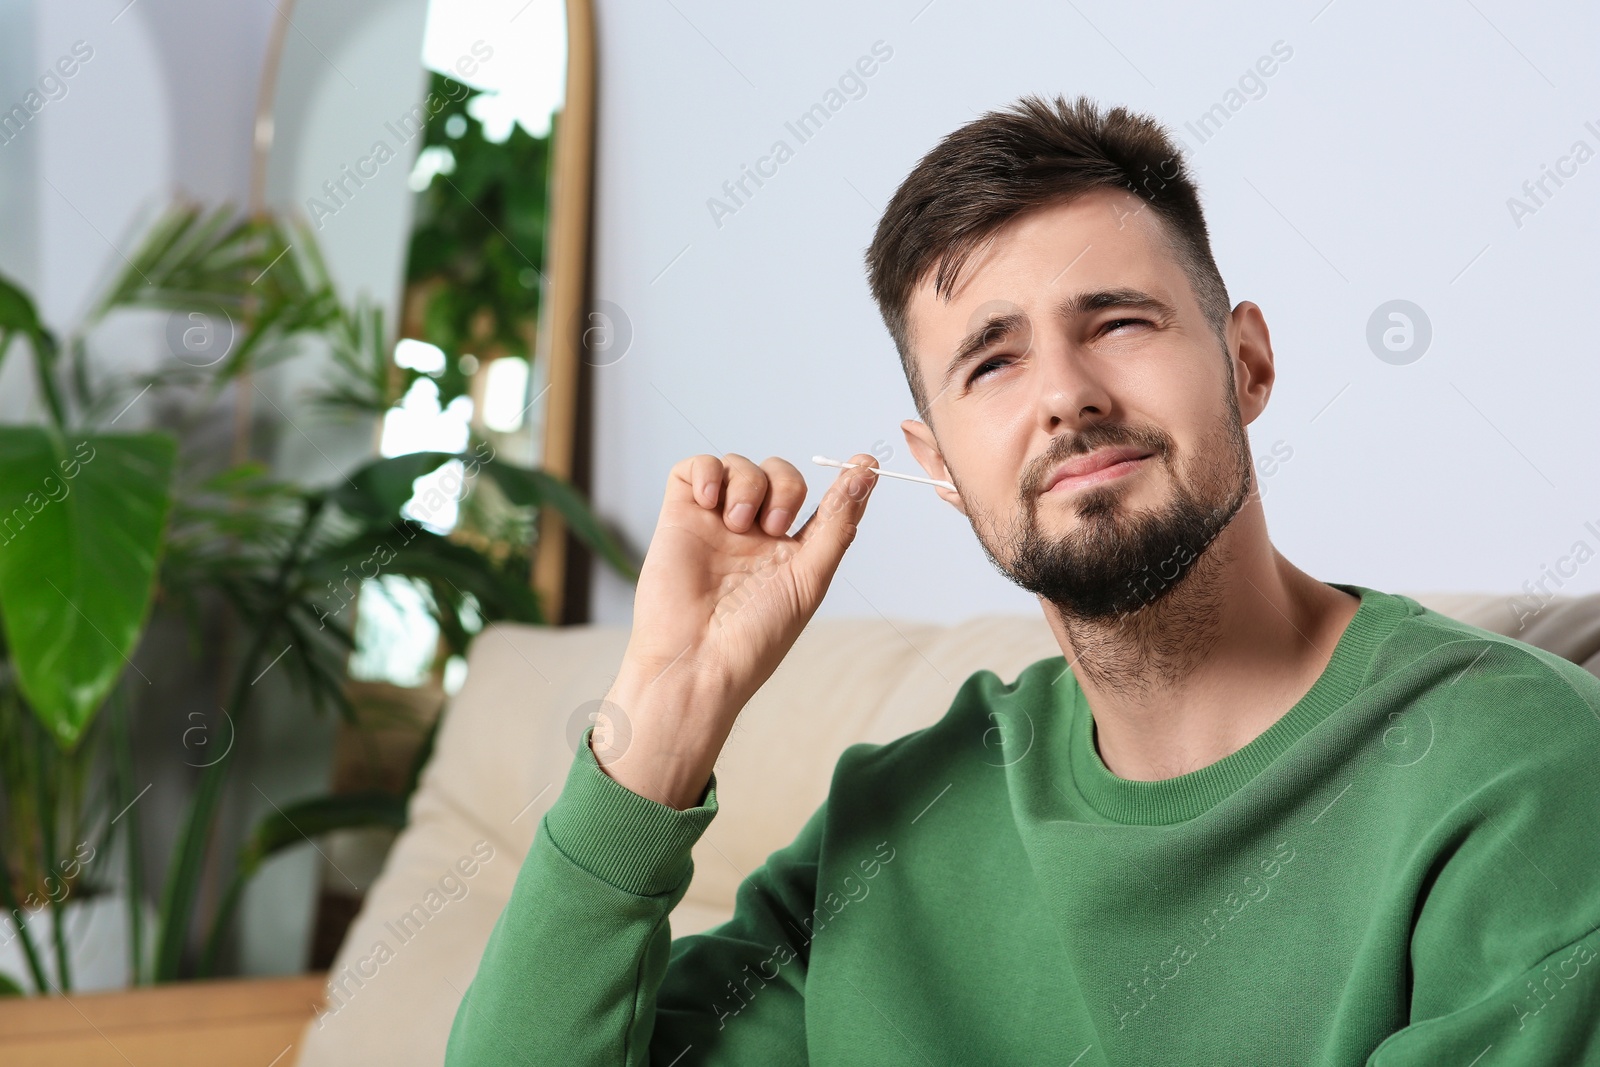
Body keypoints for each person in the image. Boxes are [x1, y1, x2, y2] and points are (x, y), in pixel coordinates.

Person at [445, 94, 1600, 1064]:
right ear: (937, 463)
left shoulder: (1516, 765)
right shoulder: (894, 827)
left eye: (1119, 320)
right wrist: (661, 720)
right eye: (992, 360)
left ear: (1246, 360)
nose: (1064, 394)